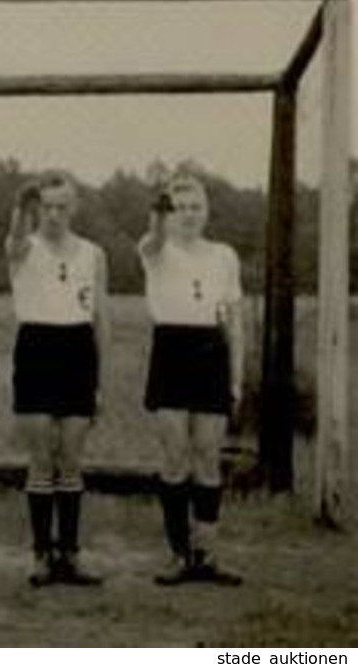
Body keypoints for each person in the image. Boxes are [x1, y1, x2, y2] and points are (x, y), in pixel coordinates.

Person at [139, 174, 244, 586]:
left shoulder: (224, 256)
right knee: (175, 456)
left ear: (207, 211)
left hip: (210, 354)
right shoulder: (155, 249)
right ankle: (178, 554)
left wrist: (236, 378)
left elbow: (234, 323)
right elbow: (150, 239)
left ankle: (207, 554)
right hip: (171, 350)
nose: (189, 215)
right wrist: (157, 212)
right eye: (180, 208)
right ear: (168, 213)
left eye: (196, 207)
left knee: (207, 457)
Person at [7, 172, 109, 586]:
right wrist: (20, 207)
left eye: (61, 206)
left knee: (70, 458)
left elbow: (101, 317)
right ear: (36, 209)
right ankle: (39, 555)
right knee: (40, 458)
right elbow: (14, 239)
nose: (54, 214)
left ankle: (70, 554)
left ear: (74, 207)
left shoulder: (93, 253)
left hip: (77, 349)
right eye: (46, 207)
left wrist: (100, 378)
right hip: (36, 346)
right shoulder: (23, 247)